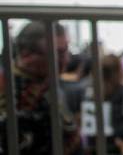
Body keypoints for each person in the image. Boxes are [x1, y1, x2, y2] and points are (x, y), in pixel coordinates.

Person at [0, 21, 82, 154]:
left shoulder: (44, 84)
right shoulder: (15, 94)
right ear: (27, 56)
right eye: (59, 53)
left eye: (67, 51)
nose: (66, 60)